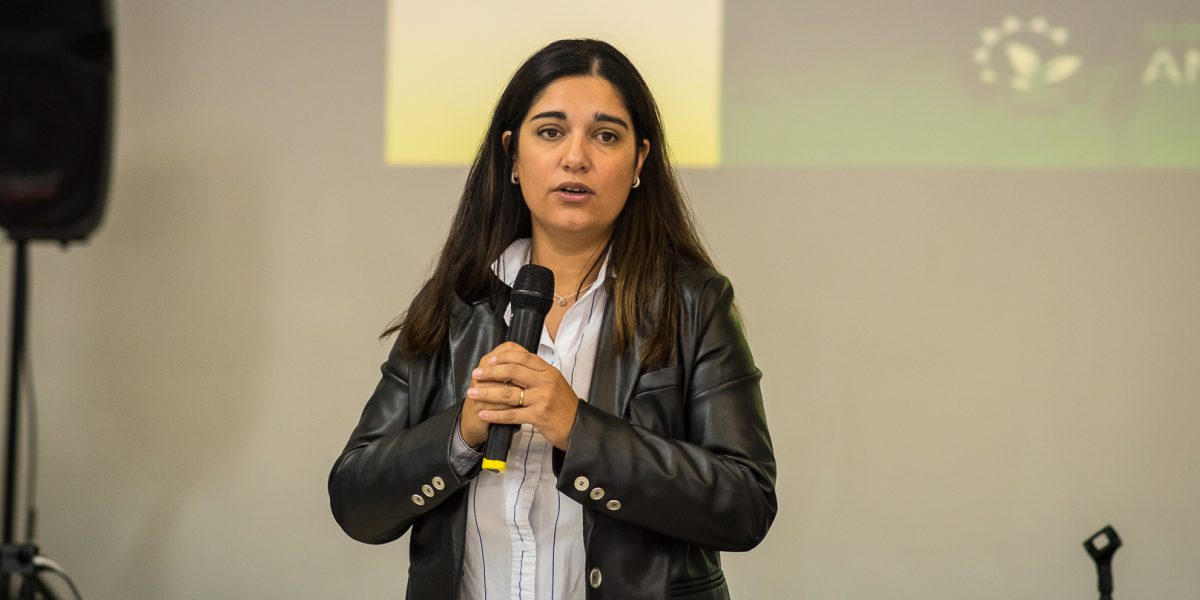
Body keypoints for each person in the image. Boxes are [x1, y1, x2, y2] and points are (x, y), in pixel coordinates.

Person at [329, 39, 776, 600]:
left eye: (606, 136)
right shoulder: (456, 303)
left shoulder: (692, 302)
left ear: (639, 161)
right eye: (550, 131)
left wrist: (579, 430)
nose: (576, 157)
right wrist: (462, 431)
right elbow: (355, 501)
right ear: (513, 157)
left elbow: (745, 503)